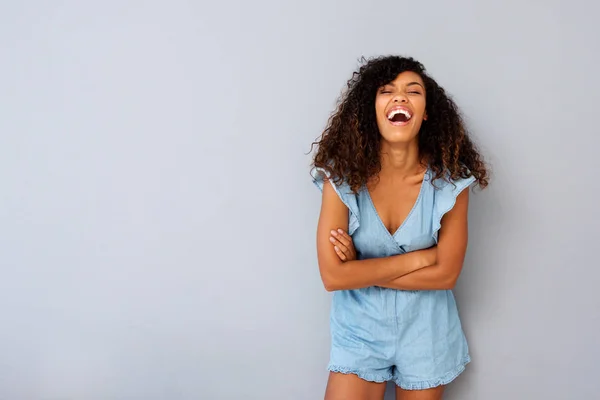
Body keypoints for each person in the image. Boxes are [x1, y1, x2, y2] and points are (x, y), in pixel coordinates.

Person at [310, 55, 489, 400]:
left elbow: (446, 276)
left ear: (426, 113)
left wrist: (358, 270)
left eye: (413, 91)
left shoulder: (452, 182)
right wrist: (420, 259)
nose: (400, 97)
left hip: (427, 332)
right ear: (371, 110)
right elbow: (332, 277)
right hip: (359, 331)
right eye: (386, 91)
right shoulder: (341, 179)